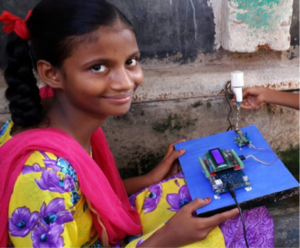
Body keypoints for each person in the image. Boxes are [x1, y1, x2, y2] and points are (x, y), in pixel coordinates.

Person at [0, 1, 274, 247]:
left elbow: (83, 196)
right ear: (51, 74)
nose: (125, 82)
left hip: (102, 229)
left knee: (234, 202)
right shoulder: (40, 180)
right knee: (237, 224)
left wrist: (149, 179)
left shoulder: (53, 112)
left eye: (130, 61)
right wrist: (167, 238)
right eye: (98, 67)